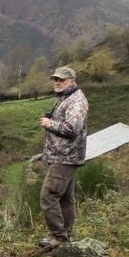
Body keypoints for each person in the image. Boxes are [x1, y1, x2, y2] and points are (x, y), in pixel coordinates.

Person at [37, 66, 88, 247]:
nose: (57, 83)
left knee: (48, 195)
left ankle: (58, 237)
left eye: (62, 80)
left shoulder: (76, 101)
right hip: (64, 156)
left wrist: (50, 123)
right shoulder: (66, 98)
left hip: (65, 157)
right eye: (55, 80)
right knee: (66, 198)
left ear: (72, 81)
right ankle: (65, 235)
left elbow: (71, 128)